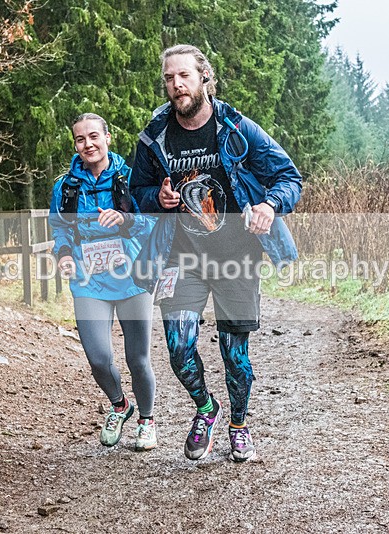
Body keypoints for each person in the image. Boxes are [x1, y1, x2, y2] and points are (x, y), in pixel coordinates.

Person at [130, 45, 302, 462]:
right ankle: (206, 410)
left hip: (236, 257)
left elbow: (289, 177)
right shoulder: (154, 134)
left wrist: (268, 205)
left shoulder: (237, 127)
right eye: (169, 78)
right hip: (181, 257)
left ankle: (239, 426)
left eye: (184, 76)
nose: (176, 85)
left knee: (234, 356)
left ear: (205, 76)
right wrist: (159, 196)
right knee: (179, 348)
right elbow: (136, 193)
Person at [49, 113, 157, 451]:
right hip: (88, 279)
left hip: (131, 278)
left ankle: (147, 420)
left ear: (107, 138)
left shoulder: (131, 178)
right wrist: (64, 254)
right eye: (80, 139)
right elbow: (60, 228)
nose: (88, 144)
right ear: (75, 145)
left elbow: (154, 224)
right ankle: (120, 406)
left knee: (137, 358)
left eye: (93, 136)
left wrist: (125, 220)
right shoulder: (65, 186)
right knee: (97, 357)